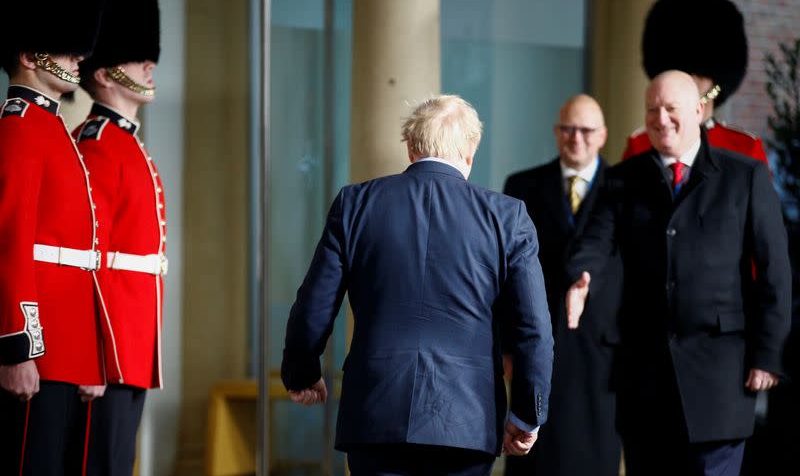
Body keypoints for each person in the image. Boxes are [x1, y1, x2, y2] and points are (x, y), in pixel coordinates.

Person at [281, 95, 554, 476]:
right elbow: (534, 329)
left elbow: (314, 304)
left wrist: (301, 372)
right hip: (466, 421)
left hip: (375, 412)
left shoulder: (356, 204)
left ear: (410, 148)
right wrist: (527, 414)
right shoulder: (508, 217)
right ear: (470, 153)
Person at [565, 70, 791, 476]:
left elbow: (775, 270)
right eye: (652, 109)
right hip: (645, 380)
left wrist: (768, 356)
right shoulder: (621, 179)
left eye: (671, 109)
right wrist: (582, 276)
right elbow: (593, 241)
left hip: (722, 379)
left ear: (699, 110)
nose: (660, 118)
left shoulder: (744, 176)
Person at [0, 0, 113, 474]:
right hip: (39, 346)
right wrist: (18, 348)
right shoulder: (21, 129)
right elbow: (11, 239)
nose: (78, 55)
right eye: (66, 46)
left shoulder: (54, 128)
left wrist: (91, 354)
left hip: (68, 347)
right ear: (28, 53)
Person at [72, 0, 165, 474]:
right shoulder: (99, 146)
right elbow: (90, 260)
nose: (150, 66)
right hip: (107, 353)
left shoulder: (126, 146)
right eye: (136, 60)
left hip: (132, 346)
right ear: (105, 74)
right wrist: (94, 355)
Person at [503, 94, 622, 476]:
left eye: (586, 130)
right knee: (535, 459)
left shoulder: (624, 187)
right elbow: (504, 275)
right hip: (538, 349)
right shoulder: (522, 185)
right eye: (568, 129)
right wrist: (506, 346)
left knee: (594, 457)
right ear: (556, 133)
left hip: (603, 353)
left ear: (602, 136)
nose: (577, 138)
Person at [622, 0, 768, 165]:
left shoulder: (745, 148)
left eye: (697, 75)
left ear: (717, 78)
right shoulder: (639, 145)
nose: (687, 82)